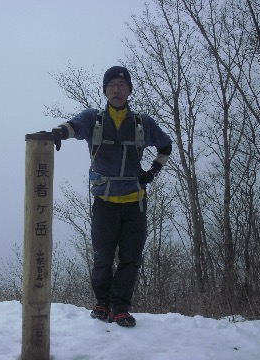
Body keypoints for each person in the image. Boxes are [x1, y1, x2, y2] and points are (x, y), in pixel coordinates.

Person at [50, 66, 172, 327]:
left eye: (122, 85)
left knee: (130, 259)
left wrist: (152, 172)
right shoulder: (94, 119)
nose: (117, 89)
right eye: (112, 85)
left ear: (129, 90)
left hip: (134, 203)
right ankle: (102, 304)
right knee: (103, 258)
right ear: (105, 90)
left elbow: (166, 146)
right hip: (104, 202)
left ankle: (120, 308)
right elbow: (71, 127)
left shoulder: (142, 123)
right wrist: (57, 134)